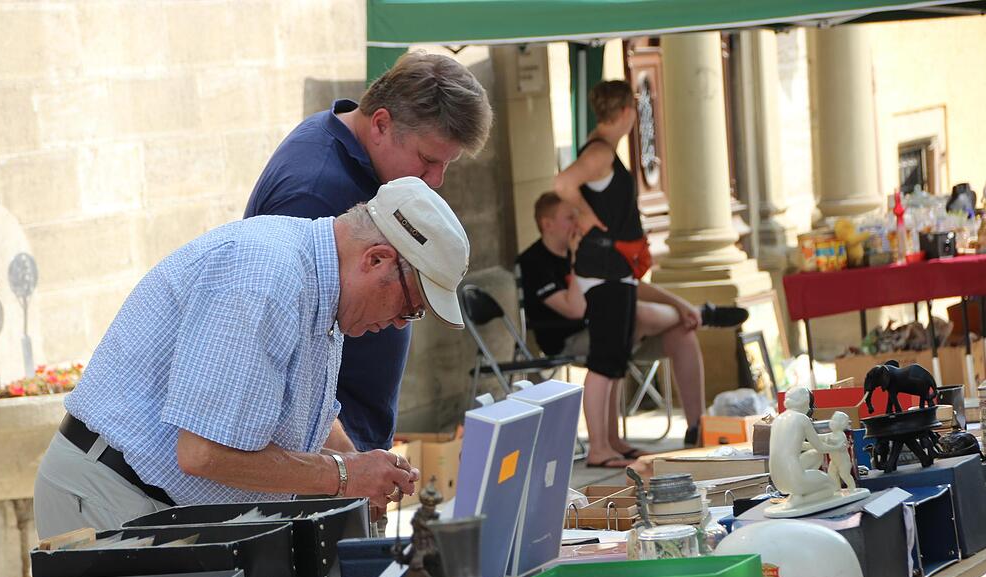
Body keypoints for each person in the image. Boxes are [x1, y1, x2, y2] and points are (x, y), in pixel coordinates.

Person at [34, 177, 470, 538]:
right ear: (377, 260)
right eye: (411, 306)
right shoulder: (268, 278)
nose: (401, 323)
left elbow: (305, 415)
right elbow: (204, 452)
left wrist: (359, 468)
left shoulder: (317, 281)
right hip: (111, 494)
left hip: (150, 499)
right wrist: (345, 476)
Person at [244, 51, 492, 455]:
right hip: (321, 448)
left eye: (447, 166)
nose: (436, 181)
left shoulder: (351, 159)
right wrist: (348, 465)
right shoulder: (314, 191)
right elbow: (282, 367)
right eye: (428, 160)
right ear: (380, 123)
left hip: (343, 441)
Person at [548, 80, 747, 464]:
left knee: (615, 358)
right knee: (605, 362)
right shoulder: (601, 152)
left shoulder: (604, 151)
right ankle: (600, 448)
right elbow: (562, 183)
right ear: (625, 113)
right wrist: (588, 217)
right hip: (603, 270)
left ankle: (612, 441)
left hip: (616, 269)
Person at [518, 192, 745, 466]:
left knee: (680, 332)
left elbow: (630, 285)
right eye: (569, 217)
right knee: (628, 315)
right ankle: (700, 314)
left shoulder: (587, 248)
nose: (577, 223)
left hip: (609, 329)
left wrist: (680, 304)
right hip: (568, 337)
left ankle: (696, 427)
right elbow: (574, 309)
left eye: (578, 216)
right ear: (547, 223)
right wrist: (579, 260)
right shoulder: (534, 261)